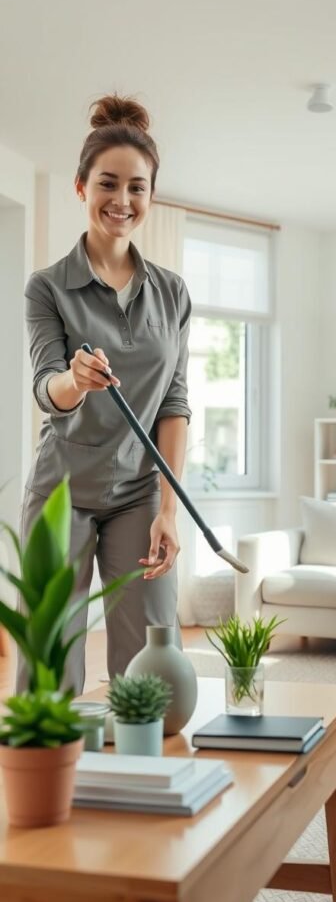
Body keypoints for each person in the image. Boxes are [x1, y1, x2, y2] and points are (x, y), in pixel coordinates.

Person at [17, 93, 192, 695]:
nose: (122, 201)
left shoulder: (172, 294)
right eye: (108, 184)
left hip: (139, 494)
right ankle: (50, 785)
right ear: (81, 187)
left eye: (137, 188)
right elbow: (47, 389)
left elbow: (174, 404)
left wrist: (169, 510)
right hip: (61, 490)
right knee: (49, 665)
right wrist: (75, 379)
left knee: (150, 668)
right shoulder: (48, 288)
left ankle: (147, 784)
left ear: (150, 195)